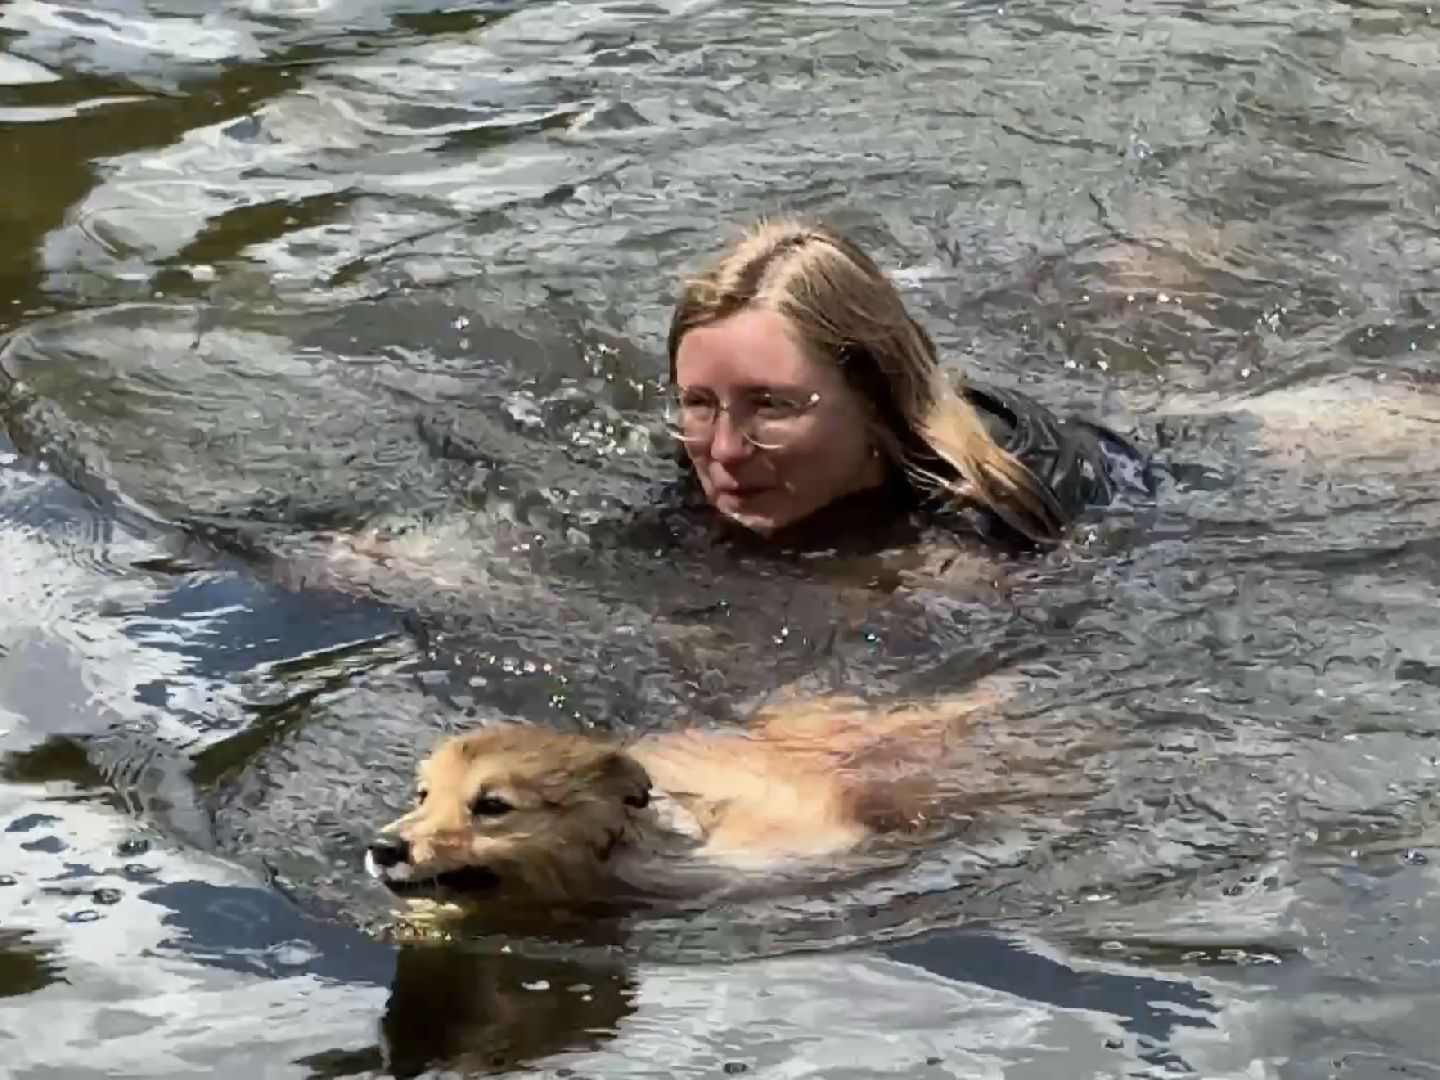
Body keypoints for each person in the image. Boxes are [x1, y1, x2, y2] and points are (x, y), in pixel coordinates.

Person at [650, 217, 1155, 559]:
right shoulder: (701, 458)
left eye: (770, 405)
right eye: (698, 402)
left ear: (873, 396)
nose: (725, 449)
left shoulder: (982, 510)